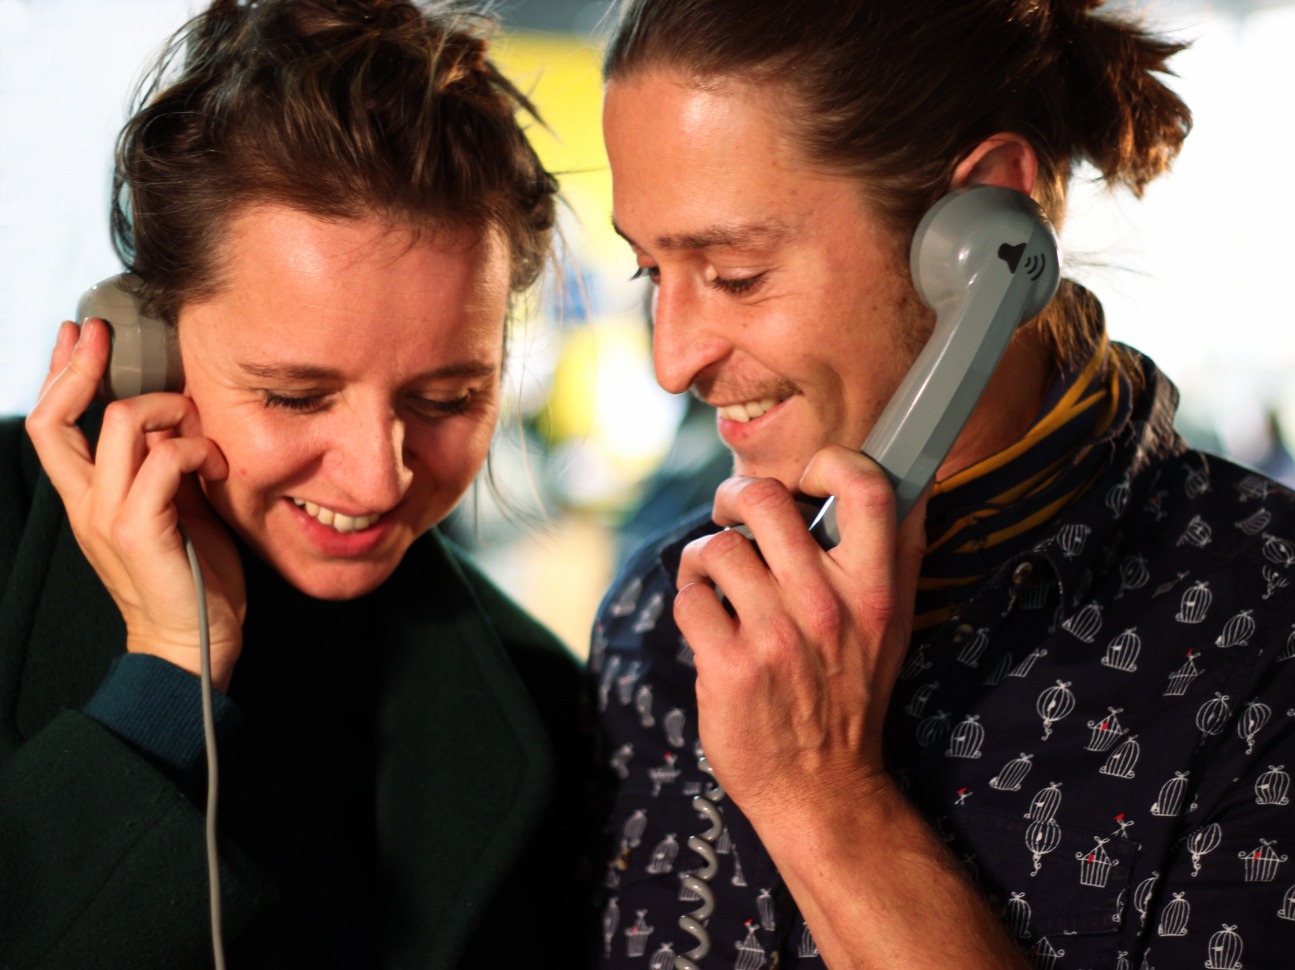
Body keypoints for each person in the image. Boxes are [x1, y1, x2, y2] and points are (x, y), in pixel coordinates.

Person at [587, 1, 1295, 967]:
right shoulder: (660, 624)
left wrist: (821, 796)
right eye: (647, 272)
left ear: (985, 232)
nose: (672, 361)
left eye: (738, 273)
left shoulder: (1264, 633)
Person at [0, 1, 590, 967]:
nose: (376, 477)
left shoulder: (543, 704)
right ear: (144, 353)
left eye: (447, 398)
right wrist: (162, 679)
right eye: (294, 396)